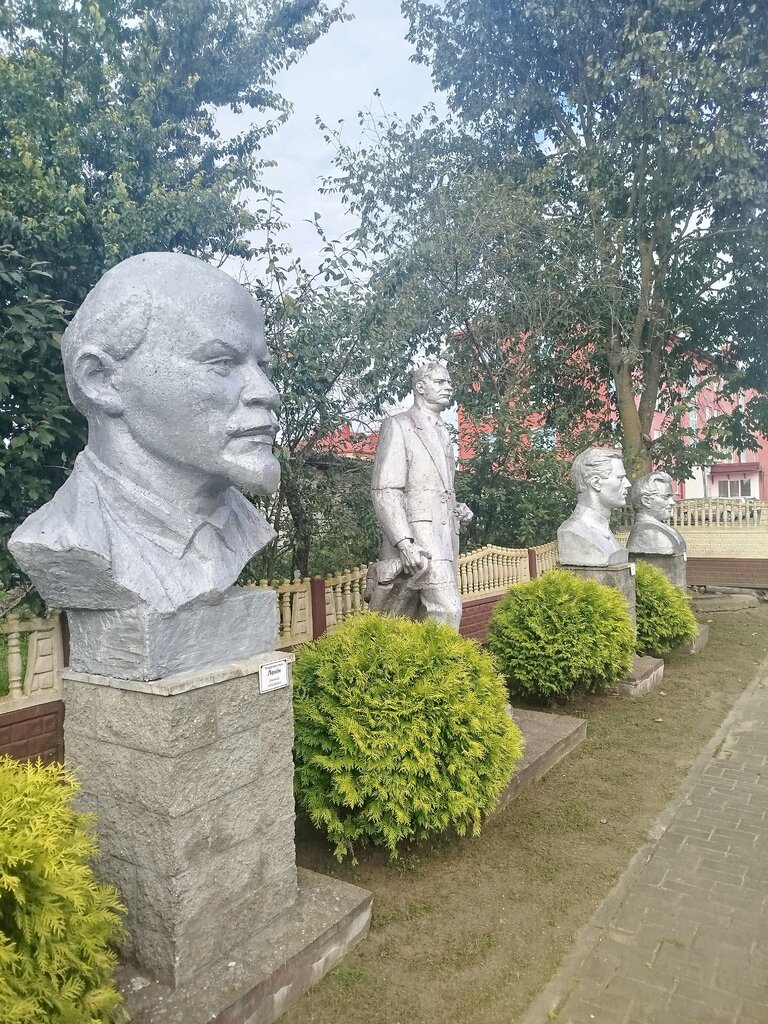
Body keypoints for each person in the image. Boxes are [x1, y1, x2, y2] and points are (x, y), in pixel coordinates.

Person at [10, 252, 280, 613]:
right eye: (222, 362)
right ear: (101, 380)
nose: (267, 392)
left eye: (261, 365)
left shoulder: (244, 527)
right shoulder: (64, 536)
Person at [366, 361, 472, 630]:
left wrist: (457, 508)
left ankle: (417, 658)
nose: (448, 387)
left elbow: (432, 490)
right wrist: (404, 543)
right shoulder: (399, 425)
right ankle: (443, 659)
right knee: (447, 609)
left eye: (449, 382)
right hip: (419, 538)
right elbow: (386, 490)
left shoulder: (443, 433)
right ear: (420, 387)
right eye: (440, 382)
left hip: (445, 538)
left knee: (418, 616)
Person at [557, 447, 631, 566]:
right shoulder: (571, 531)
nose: (628, 484)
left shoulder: (604, 529)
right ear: (596, 483)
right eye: (620, 478)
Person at [627, 471, 686, 555]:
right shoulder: (648, 533)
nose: (672, 502)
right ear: (646, 501)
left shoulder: (661, 528)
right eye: (665, 497)